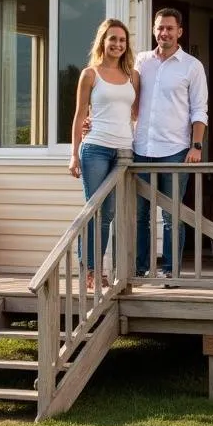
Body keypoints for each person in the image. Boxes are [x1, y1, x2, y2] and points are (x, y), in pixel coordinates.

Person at [133, 7, 209, 280]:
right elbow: (124, 97)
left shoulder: (191, 66)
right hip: (140, 149)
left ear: (179, 31)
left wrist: (196, 146)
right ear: (154, 30)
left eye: (169, 28)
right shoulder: (141, 61)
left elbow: (199, 109)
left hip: (174, 151)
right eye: (159, 28)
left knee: (171, 215)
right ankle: (138, 270)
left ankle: (170, 272)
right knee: (140, 214)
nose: (164, 32)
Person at [68, 18, 140, 289]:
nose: (118, 45)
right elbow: (78, 115)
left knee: (110, 213)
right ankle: (90, 270)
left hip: (124, 151)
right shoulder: (90, 74)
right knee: (94, 209)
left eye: (122, 40)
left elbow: (137, 113)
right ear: (103, 41)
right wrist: (73, 154)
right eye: (113, 39)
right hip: (95, 148)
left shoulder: (133, 76)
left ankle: (100, 268)